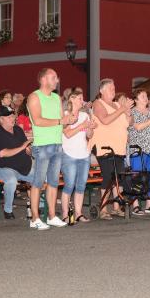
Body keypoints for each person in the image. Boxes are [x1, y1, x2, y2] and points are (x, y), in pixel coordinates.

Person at [27, 68, 72, 229]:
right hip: (42, 145)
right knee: (38, 183)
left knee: (53, 182)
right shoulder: (34, 97)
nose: (57, 80)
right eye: (53, 77)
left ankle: (52, 216)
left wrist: (69, 119)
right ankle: (35, 219)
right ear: (43, 79)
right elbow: (37, 120)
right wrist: (61, 121)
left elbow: (62, 121)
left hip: (57, 144)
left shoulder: (56, 98)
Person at [88, 78, 132, 219]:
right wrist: (122, 109)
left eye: (114, 88)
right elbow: (105, 120)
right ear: (102, 90)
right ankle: (103, 209)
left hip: (119, 147)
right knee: (108, 177)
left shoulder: (117, 104)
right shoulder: (98, 103)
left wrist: (127, 112)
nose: (113, 91)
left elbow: (129, 123)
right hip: (104, 147)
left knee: (118, 177)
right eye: (110, 89)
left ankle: (116, 207)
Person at [0, 106, 34, 220]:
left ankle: (39, 206)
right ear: (1, 119)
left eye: (13, 116)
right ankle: (8, 210)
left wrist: (29, 150)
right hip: (4, 168)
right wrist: (22, 147)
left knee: (40, 177)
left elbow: (26, 148)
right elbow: (2, 153)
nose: (13, 118)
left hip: (23, 167)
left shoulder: (18, 129)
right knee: (11, 181)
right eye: (9, 117)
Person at [60, 88, 95, 223]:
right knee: (69, 185)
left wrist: (90, 127)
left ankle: (79, 213)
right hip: (69, 154)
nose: (82, 101)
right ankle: (65, 214)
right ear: (72, 99)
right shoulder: (65, 115)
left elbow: (89, 135)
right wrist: (82, 126)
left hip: (84, 154)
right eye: (80, 98)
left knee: (81, 185)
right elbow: (68, 134)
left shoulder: (84, 115)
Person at [127, 89, 150, 215]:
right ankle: (135, 204)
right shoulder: (132, 112)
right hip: (138, 148)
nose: (146, 98)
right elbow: (138, 127)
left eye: (146, 96)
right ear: (136, 99)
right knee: (137, 175)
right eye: (142, 96)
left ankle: (149, 203)